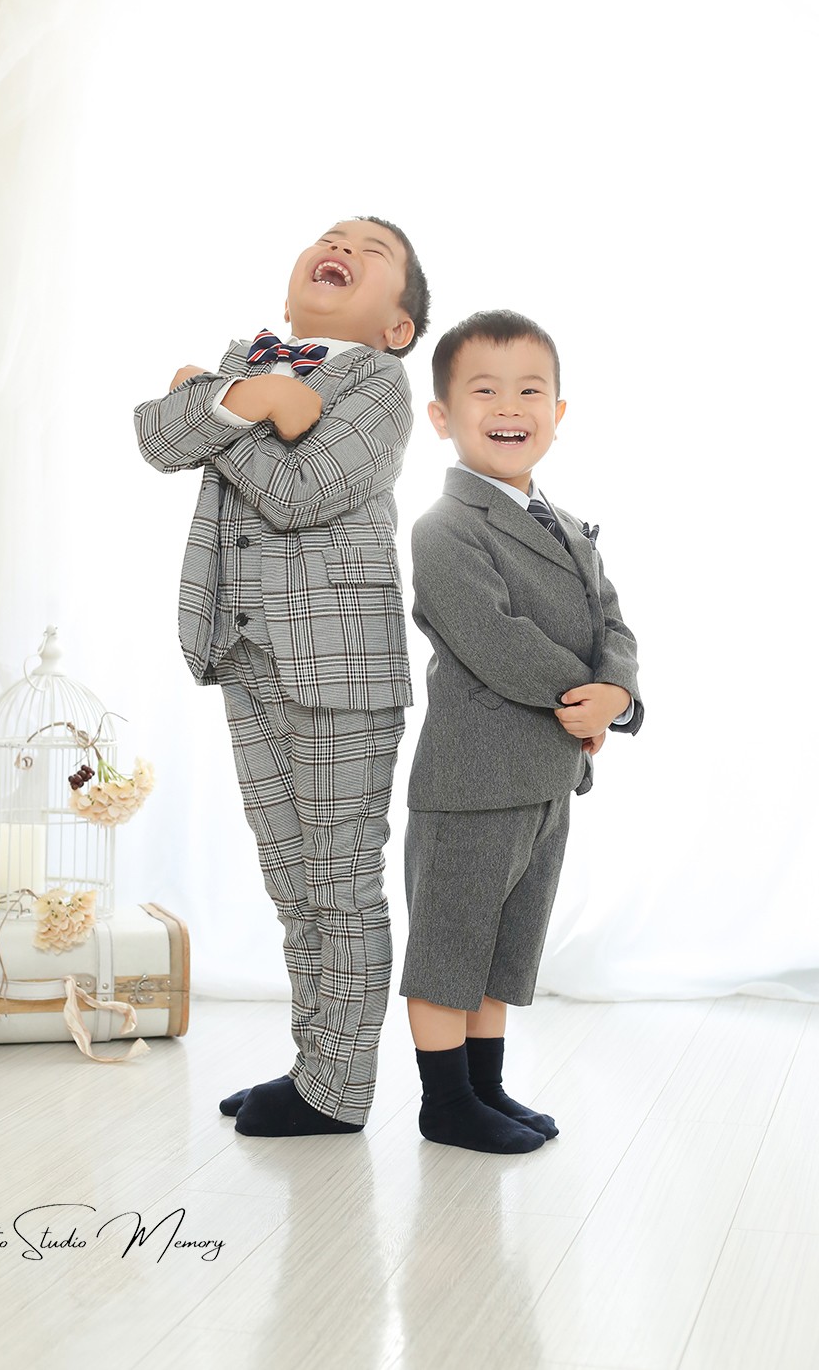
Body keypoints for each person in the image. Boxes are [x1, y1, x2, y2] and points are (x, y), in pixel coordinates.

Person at [134, 217, 430, 1136]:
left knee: (341, 883)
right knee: (293, 882)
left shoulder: (379, 383)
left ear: (397, 325)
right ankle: (314, 1071)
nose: (341, 247)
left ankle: (340, 1091)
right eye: (331, 237)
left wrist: (219, 409)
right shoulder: (247, 364)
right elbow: (154, 436)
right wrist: (254, 394)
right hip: (243, 650)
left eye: (371, 252)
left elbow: (299, 493)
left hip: (340, 664)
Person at [401, 309, 642, 1154]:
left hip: (547, 775)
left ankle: (486, 1086)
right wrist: (583, 696)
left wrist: (618, 693)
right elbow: (497, 641)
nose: (510, 406)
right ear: (442, 416)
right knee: (450, 945)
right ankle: (445, 1103)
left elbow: (614, 624)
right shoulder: (446, 526)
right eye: (485, 391)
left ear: (558, 412)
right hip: (472, 779)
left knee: (505, 946)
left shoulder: (568, 526)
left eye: (530, 390)